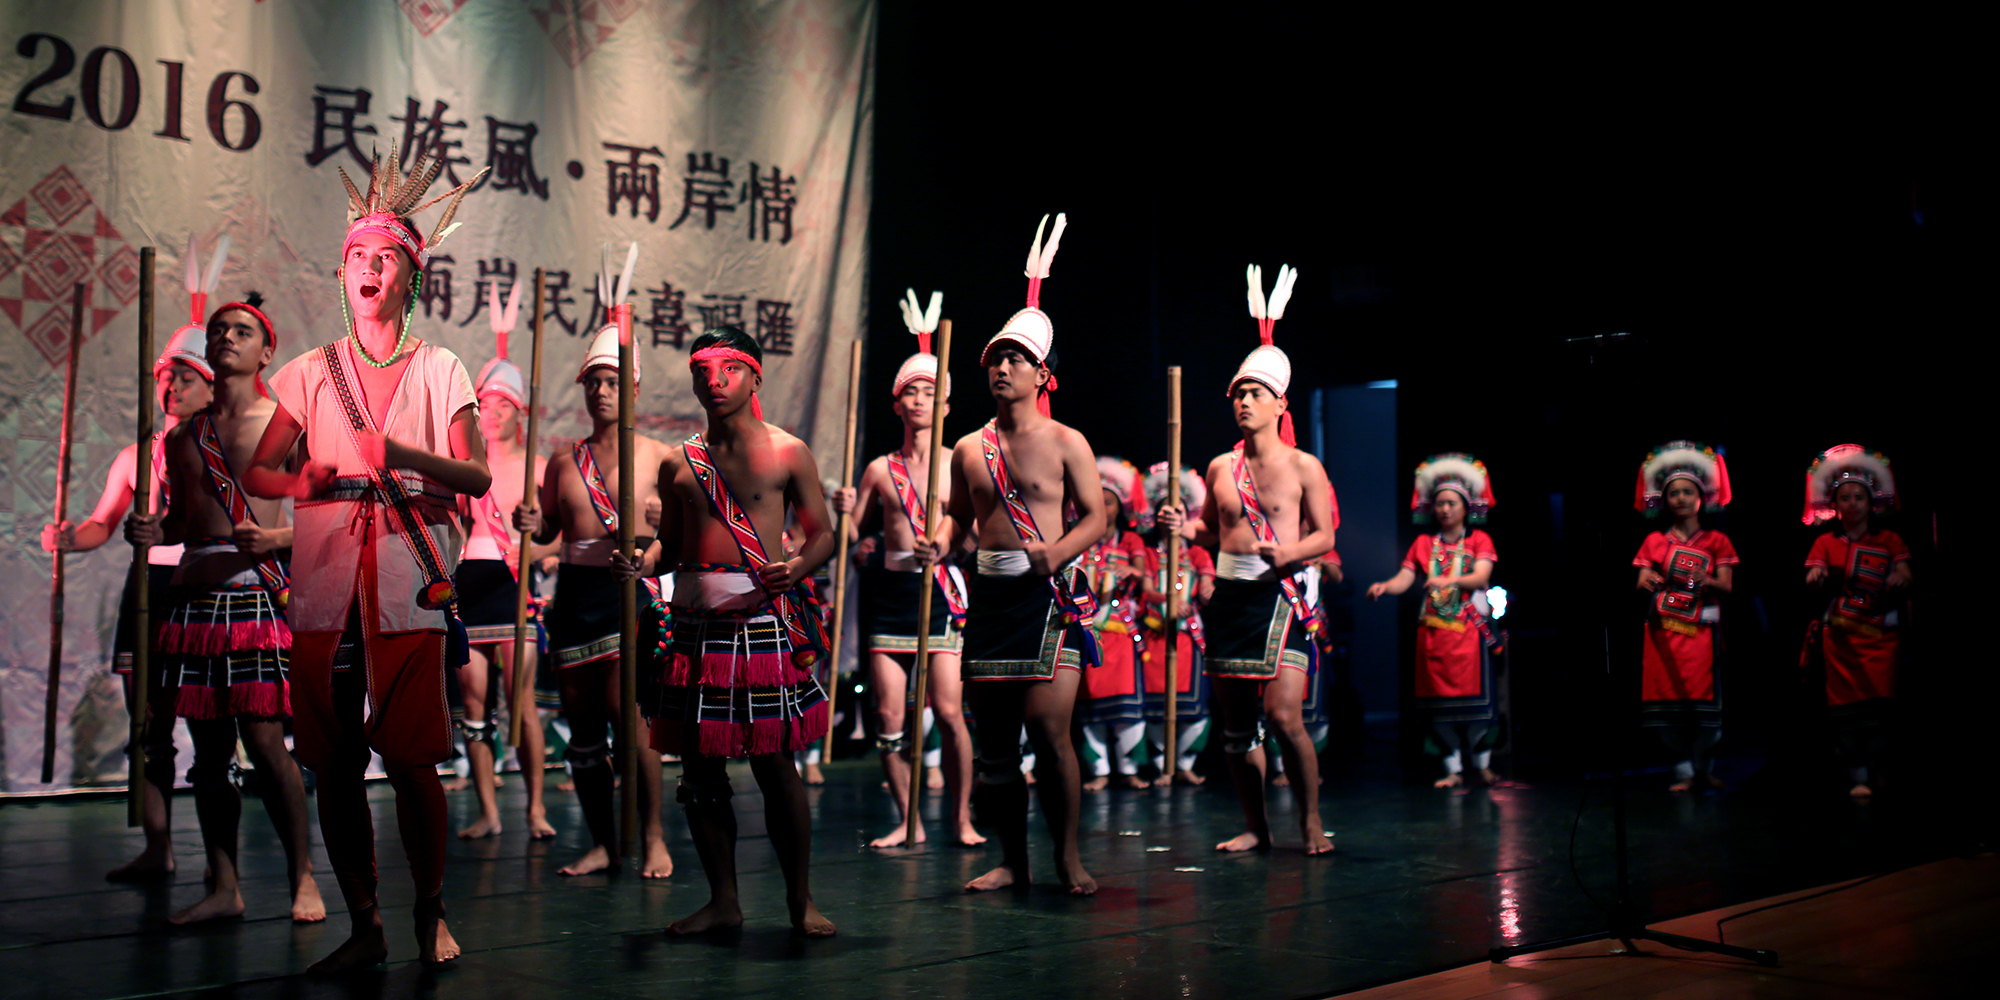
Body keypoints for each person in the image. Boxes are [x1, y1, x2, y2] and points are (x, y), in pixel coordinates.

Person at [243, 148, 489, 971]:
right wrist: (299, 479)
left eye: (386, 256)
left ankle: (430, 910)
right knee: (335, 762)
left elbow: (478, 474)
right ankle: (364, 923)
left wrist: (406, 456)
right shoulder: (308, 373)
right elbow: (261, 473)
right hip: (323, 586)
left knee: (412, 758)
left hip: (409, 581)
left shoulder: (441, 368)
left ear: (412, 275)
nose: (370, 267)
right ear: (342, 274)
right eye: (358, 256)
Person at [921, 213, 1107, 894]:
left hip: (1049, 599)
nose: (1001, 368)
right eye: (995, 359)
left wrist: (1055, 554)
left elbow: (1099, 517)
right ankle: (1013, 861)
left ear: (1042, 373)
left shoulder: (1067, 442)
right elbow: (957, 519)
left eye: (1016, 359)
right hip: (991, 600)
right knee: (996, 748)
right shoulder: (969, 448)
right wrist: (940, 542)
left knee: (1050, 734)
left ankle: (1067, 857)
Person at [126, 295, 326, 924]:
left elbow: (331, 513)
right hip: (192, 602)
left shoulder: (285, 427)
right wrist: (151, 530)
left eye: (241, 331)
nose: (227, 339)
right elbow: (183, 523)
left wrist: (277, 537)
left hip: (255, 596)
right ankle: (225, 886)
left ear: (266, 352)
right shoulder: (183, 437)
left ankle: (302, 877)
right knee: (207, 754)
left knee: (265, 744)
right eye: (218, 331)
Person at [652, 325, 837, 936]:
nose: (715, 381)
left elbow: (823, 534)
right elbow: (667, 547)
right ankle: (723, 902)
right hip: (693, 632)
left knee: (774, 765)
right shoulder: (677, 464)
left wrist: (798, 567)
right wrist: (640, 561)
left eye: (728, 368)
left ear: (755, 376)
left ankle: (800, 901)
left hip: (761, 626)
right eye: (702, 370)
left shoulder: (788, 452)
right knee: (700, 773)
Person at [1158, 263, 1334, 855]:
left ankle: (1310, 822)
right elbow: (1212, 531)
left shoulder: (1305, 466)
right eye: (1238, 393)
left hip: (1281, 595)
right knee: (1237, 728)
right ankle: (1257, 828)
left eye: (1255, 393)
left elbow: (1325, 536)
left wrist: (1289, 551)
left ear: (1280, 402)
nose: (1244, 402)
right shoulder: (1219, 467)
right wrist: (1184, 527)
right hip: (1230, 598)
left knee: (1284, 717)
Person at [47, 317, 213, 881]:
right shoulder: (134, 456)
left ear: (211, 387)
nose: (173, 388)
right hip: (147, 589)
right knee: (148, 725)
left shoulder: (222, 451)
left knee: (211, 728)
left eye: (187, 378)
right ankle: (158, 847)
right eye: (167, 377)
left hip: (201, 586)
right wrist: (69, 538)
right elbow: (102, 523)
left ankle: (222, 863)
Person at [513, 319, 673, 876]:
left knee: (627, 719)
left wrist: (659, 528)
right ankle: (604, 841)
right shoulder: (563, 460)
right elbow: (550, 529)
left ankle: (653, 836)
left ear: (633, 389)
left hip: (628, 592)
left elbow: (679, 536)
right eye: (593, 383)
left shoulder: (660, 457)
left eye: (612, 382)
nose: (601, 392)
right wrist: (531, 522)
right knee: (583, 730)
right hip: (574, 597)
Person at [829, 290, 982, 846]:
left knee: (949, 711)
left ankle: (961, 819)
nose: (919, 400)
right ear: (897, 405)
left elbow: (973, 531)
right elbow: (853, 539)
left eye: (929, 392)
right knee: (889, 718)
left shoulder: (958, 461)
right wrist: (843, 513)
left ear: (945, 406)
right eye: (910, 392)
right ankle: (907, 821)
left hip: (940, 593)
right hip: (891, 596)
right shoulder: (879, 469)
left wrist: (945, 544)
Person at [453, 280, 557, 840]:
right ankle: (489, 812)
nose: (492, 414)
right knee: (476, 705)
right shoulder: (465, 465)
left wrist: (537, 545)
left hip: (516, 586)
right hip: (471, 584)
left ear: (520, 412)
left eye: (503, 406)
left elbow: (561, 538)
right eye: (484, 405)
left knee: (521, 702)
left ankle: (535, 808)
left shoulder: (539, 467)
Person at [1367, 454, 1501, 789]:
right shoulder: (1424, 543)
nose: (1444, 509)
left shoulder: (1479, 540)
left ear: (1465, 507)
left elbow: (1481, 576)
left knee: (1477, 707)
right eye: (1440, 503)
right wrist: (1385, 586)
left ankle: (1483, 765)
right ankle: (1452, 769)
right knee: (1439, 709)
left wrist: (1447, 580)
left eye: (1451, 503)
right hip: (1433, 636)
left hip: (1469, 634)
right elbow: (1405, 577)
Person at [1801, 444, 1913, 799]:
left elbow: (1906, 574)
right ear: (1835, 504)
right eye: (1845, 498)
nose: (1852, 504)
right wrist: (1816, 576)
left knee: (1880, 709)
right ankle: (1857, 774)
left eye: (1859, 497)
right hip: (1841, 641)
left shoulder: (1890, 540)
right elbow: (1812, 575)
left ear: (1870, 501)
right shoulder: (1824, 542)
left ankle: (1878, 769)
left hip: (1880, 638)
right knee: (1846, 711)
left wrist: (1899, 577)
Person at [1631, 442, 1738, 792]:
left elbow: (1727, 586)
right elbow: (1640, 581)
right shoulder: (1654, 541)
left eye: (1687, 492)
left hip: (1701, 634)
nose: (1680, 498)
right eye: (1673, 493)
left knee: (1705, 708)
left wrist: (1708, 580)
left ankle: (1704, 768)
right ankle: (1683, 772)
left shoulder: (1717, 541)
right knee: (1669, 709)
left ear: (1701, 497)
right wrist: (1648, 580)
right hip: (1663, 634)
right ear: (1665, 499)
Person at [1138, 463, 1214, 785]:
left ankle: (1184, 763)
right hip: (1155, 636)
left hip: (1188, 639)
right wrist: (1166, 599)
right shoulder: (1147, 553)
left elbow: (1207, 584)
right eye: (1164, 511)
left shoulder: (1197, 554)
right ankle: (1161, 765)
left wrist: (1209, 591)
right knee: (1155, 707)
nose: (1170, 517)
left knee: (1193, 706)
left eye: (1177, 511)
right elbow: (1145, 590)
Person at [1078, 457, 1150, 791]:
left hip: (1120, 633)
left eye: (1109, 502)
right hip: (1087, 630)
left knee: (1126, 706)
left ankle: (1129, 769)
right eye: (1098, 500)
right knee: (1090, 705)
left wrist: (1133, 571)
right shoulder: (1080, 538)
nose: (1103, 507)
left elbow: (1143, 574)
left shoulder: (1130, 541)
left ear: (1120, 506)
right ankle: (1099, 771)